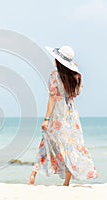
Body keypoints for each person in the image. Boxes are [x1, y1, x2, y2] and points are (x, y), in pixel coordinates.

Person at [28, 46, 97, 186]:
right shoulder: (77, 77)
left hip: (57, 115)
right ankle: (66, 182)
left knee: (46, 141)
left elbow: (52, 98)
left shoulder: (54, 76)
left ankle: (33, 176)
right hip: (71, 116)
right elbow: (76, 94)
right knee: (70, 147)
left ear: (58, 61)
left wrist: (46, 119)